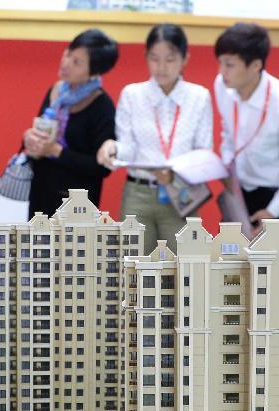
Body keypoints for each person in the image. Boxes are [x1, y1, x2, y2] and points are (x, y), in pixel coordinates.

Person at [96, 24, 213, 252]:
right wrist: (112, 147)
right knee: (133, 267)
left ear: (184, 58)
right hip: (138, 194)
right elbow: (128, 147)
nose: (161, 67)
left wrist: (174, 173)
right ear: (145, 57)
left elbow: (203, 151)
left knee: (184, 267)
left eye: (170, 59)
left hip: (181, 192)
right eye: (154, 58)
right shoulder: (132, 94)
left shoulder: (199, 96)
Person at [214, 22, 279, 236]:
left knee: (268, 266)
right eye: (220, 62)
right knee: (229, 259)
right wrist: (227, 164)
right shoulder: (223, 86)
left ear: (256, 65)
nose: (222, 72)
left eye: (229, 64)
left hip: (274, 197)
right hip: (238, 192)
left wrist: (272, 212)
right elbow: (227, 132)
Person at [24, 29, 118, 218]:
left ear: (94, 72)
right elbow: (41, 131)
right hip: (41, 192)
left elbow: (101, 167)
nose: (66, 63)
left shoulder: (102, 105)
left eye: (76, 62)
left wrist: (55, 151)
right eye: (68, 53)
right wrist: (29, 139)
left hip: (76, 204)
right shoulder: (56, 91)